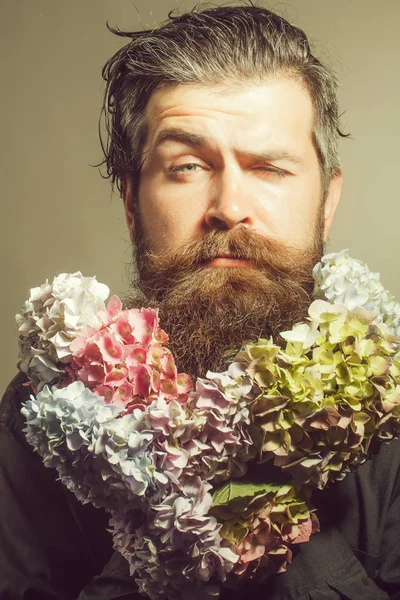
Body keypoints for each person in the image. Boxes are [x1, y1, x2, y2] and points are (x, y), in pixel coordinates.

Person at [1, 3, 399, 599]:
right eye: (187, 166)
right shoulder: (45, 413)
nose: (229, 205)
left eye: (269, 167)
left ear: (326, 201)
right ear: (132, 203)